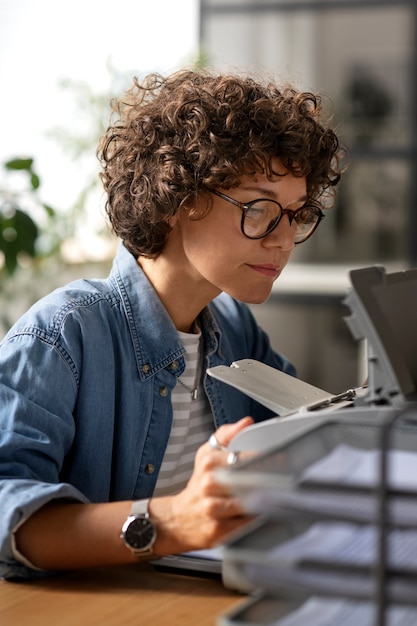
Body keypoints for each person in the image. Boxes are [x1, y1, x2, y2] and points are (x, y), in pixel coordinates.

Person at [0, 69, 344, 580]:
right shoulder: (62, 335)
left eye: (294, 214)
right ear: (178, 198)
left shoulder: (234, 331)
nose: (283, 240)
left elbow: (303, 443)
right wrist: (173, 522)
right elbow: (9, 508)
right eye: (260, 209)